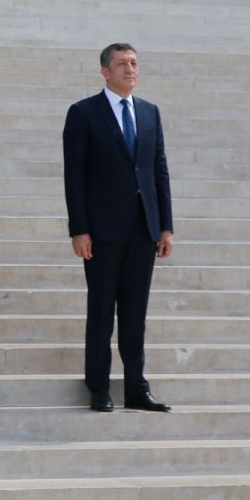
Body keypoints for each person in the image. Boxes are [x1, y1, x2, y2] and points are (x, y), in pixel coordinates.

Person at [63, 43, 174, 413]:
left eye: (134, 63)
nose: (130, 69)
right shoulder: (83, 113)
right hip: (102, 232)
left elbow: (159, 170)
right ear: (104, 71)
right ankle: (99, 386)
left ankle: (136, 387)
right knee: (101, 312)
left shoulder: (149, 112)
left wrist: (166, 227)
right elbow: (74, 176)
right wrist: (79, 229)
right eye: (122, 64)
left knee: (134, 314)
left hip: (143, 230)